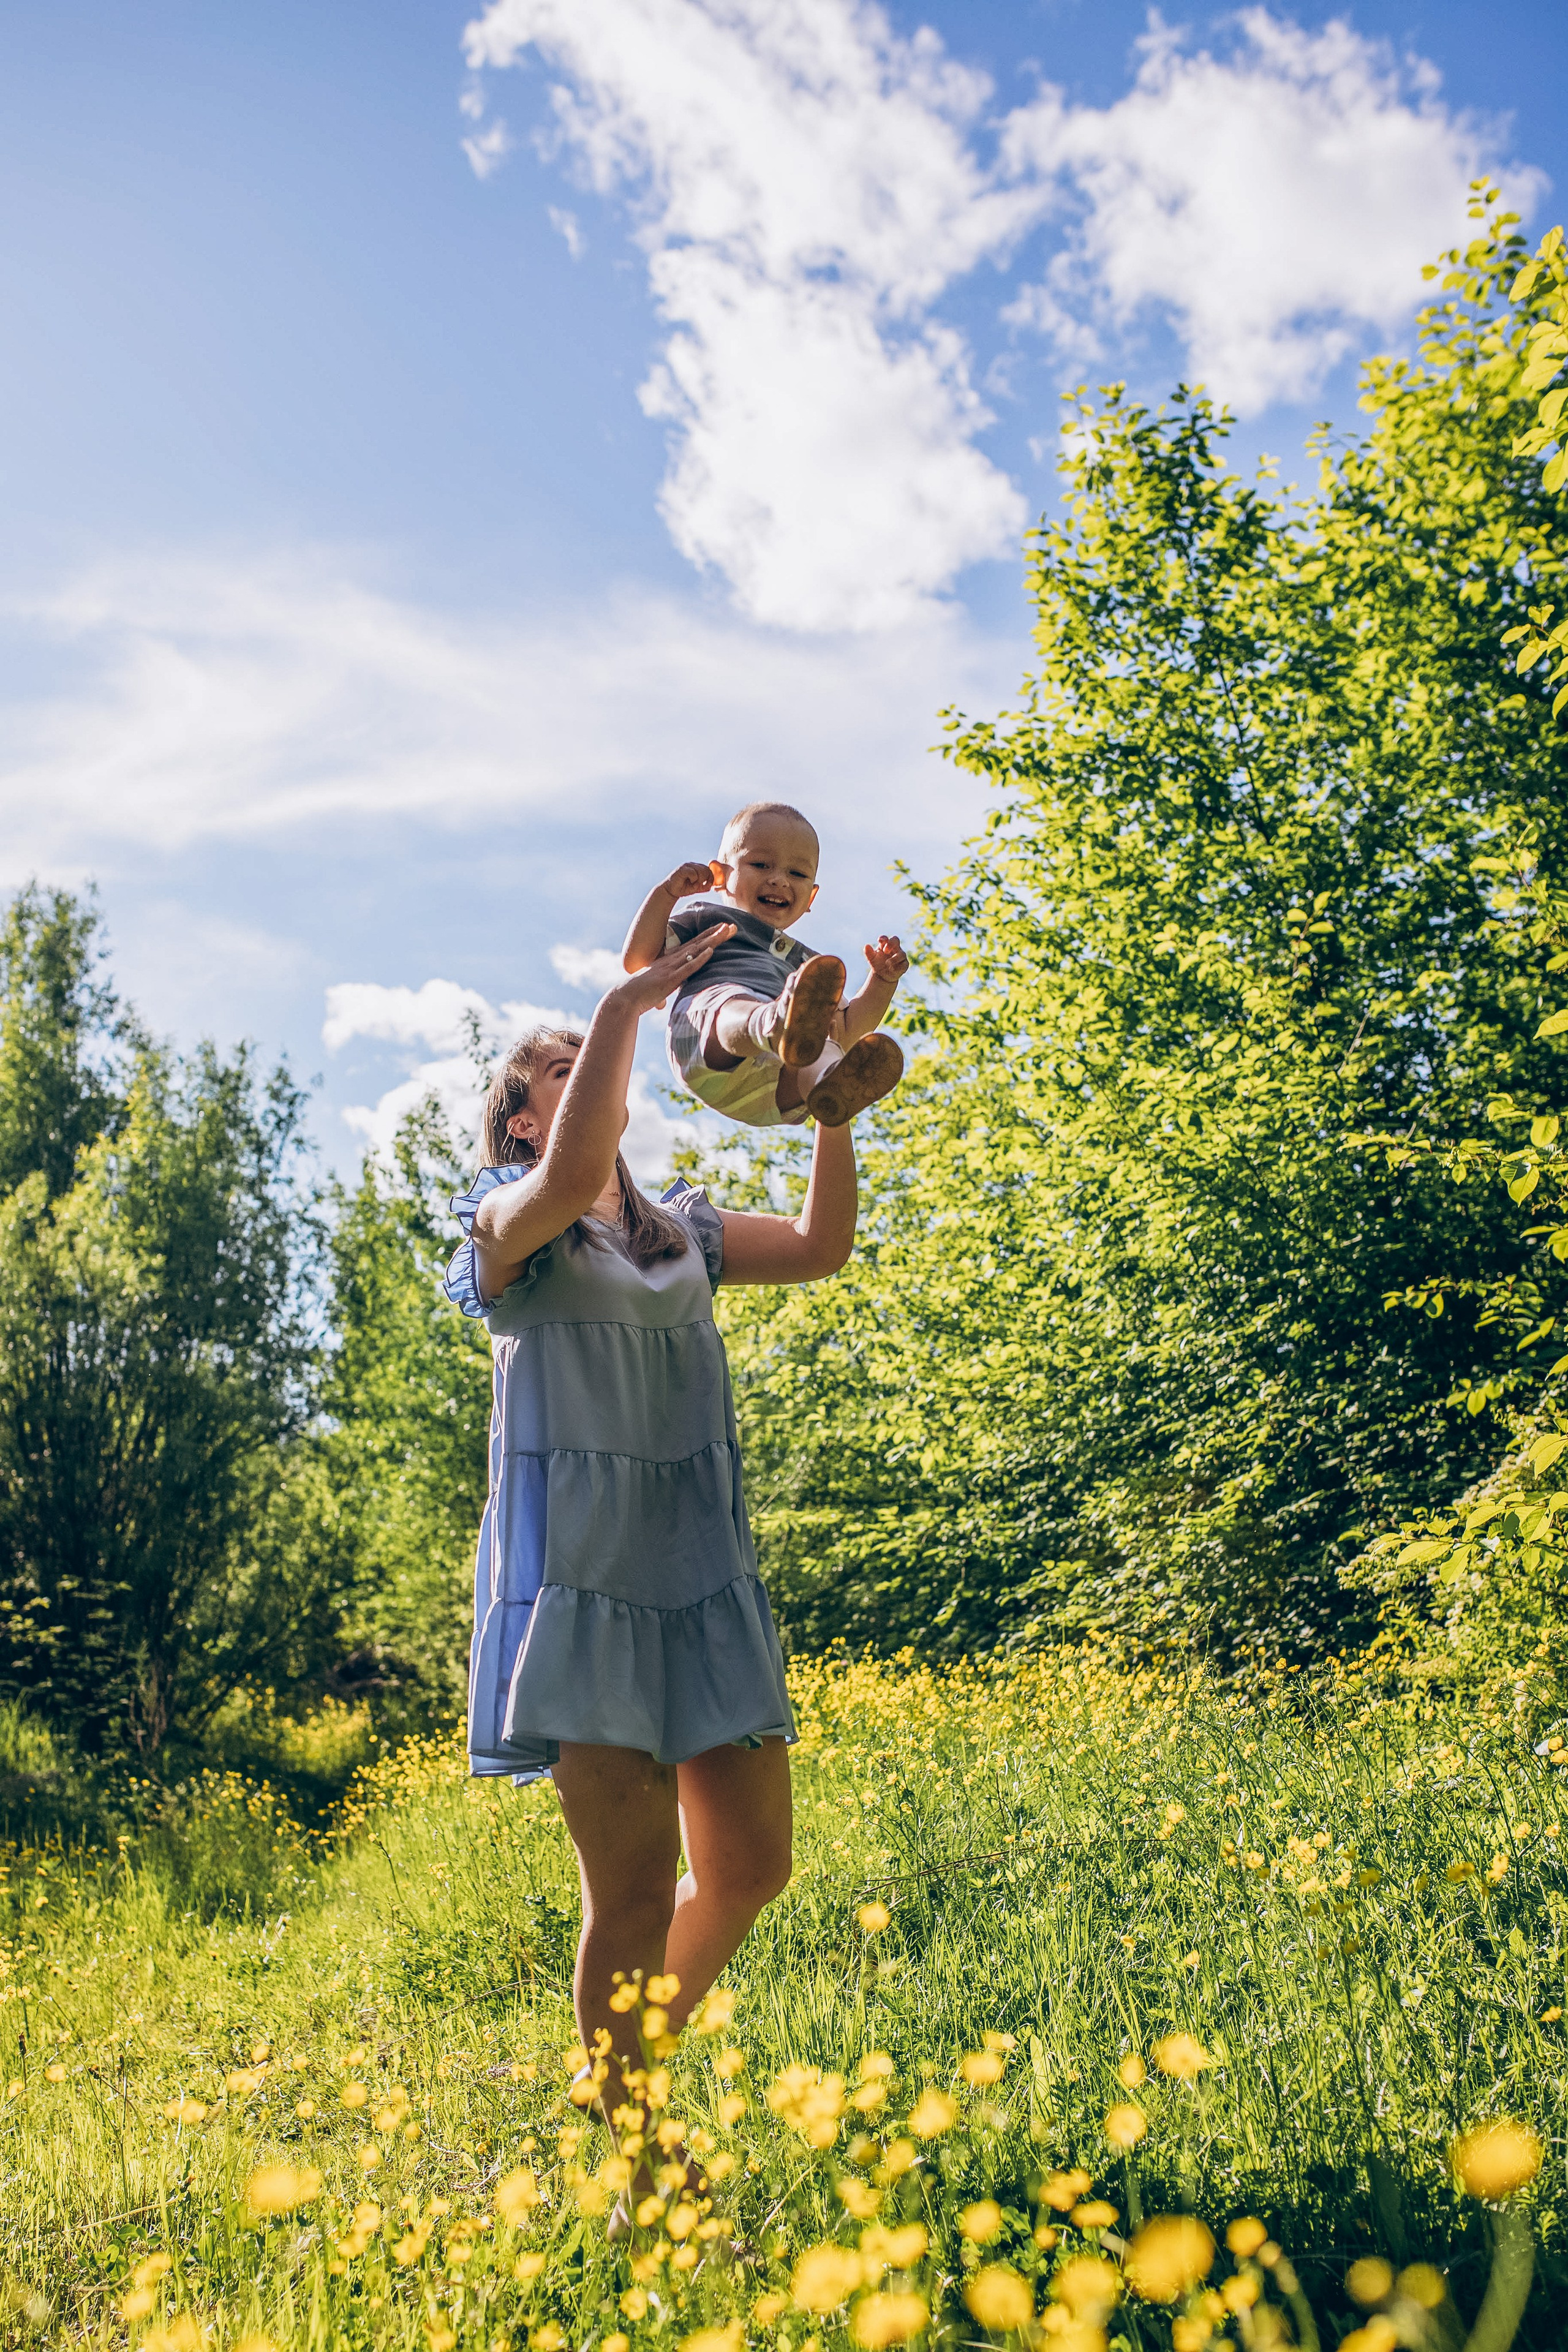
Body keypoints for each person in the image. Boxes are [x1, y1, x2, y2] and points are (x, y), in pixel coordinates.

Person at [442, 929, 859, 2224]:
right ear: (520, 1123)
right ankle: (638, 2158)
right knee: (626, 1896)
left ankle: (612, 2072)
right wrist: (632, 997)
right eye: (563, 1070)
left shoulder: (685, 1232)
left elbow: (823, 1243)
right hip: (589, 1586)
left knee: (750, 1866)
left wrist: (832, 1107)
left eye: (600, 1058)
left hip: (702, 1572)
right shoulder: (508, 1228)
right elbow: (576, 1173)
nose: (596, 1072)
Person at [621, 798, 909, 1129]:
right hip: (708, 1048)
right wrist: (666, 894)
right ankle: (771, 1024)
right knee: (729, 999)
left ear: (811, 897)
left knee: (828, 1044)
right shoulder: (708, 920)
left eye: (797, 873)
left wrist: (882, 981)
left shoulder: (810, 968)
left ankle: (831, 1083)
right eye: (761, 865)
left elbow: (849, 1029)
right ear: (720, 876)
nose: (780, 880)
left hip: (776, 1090)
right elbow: (638, 959)